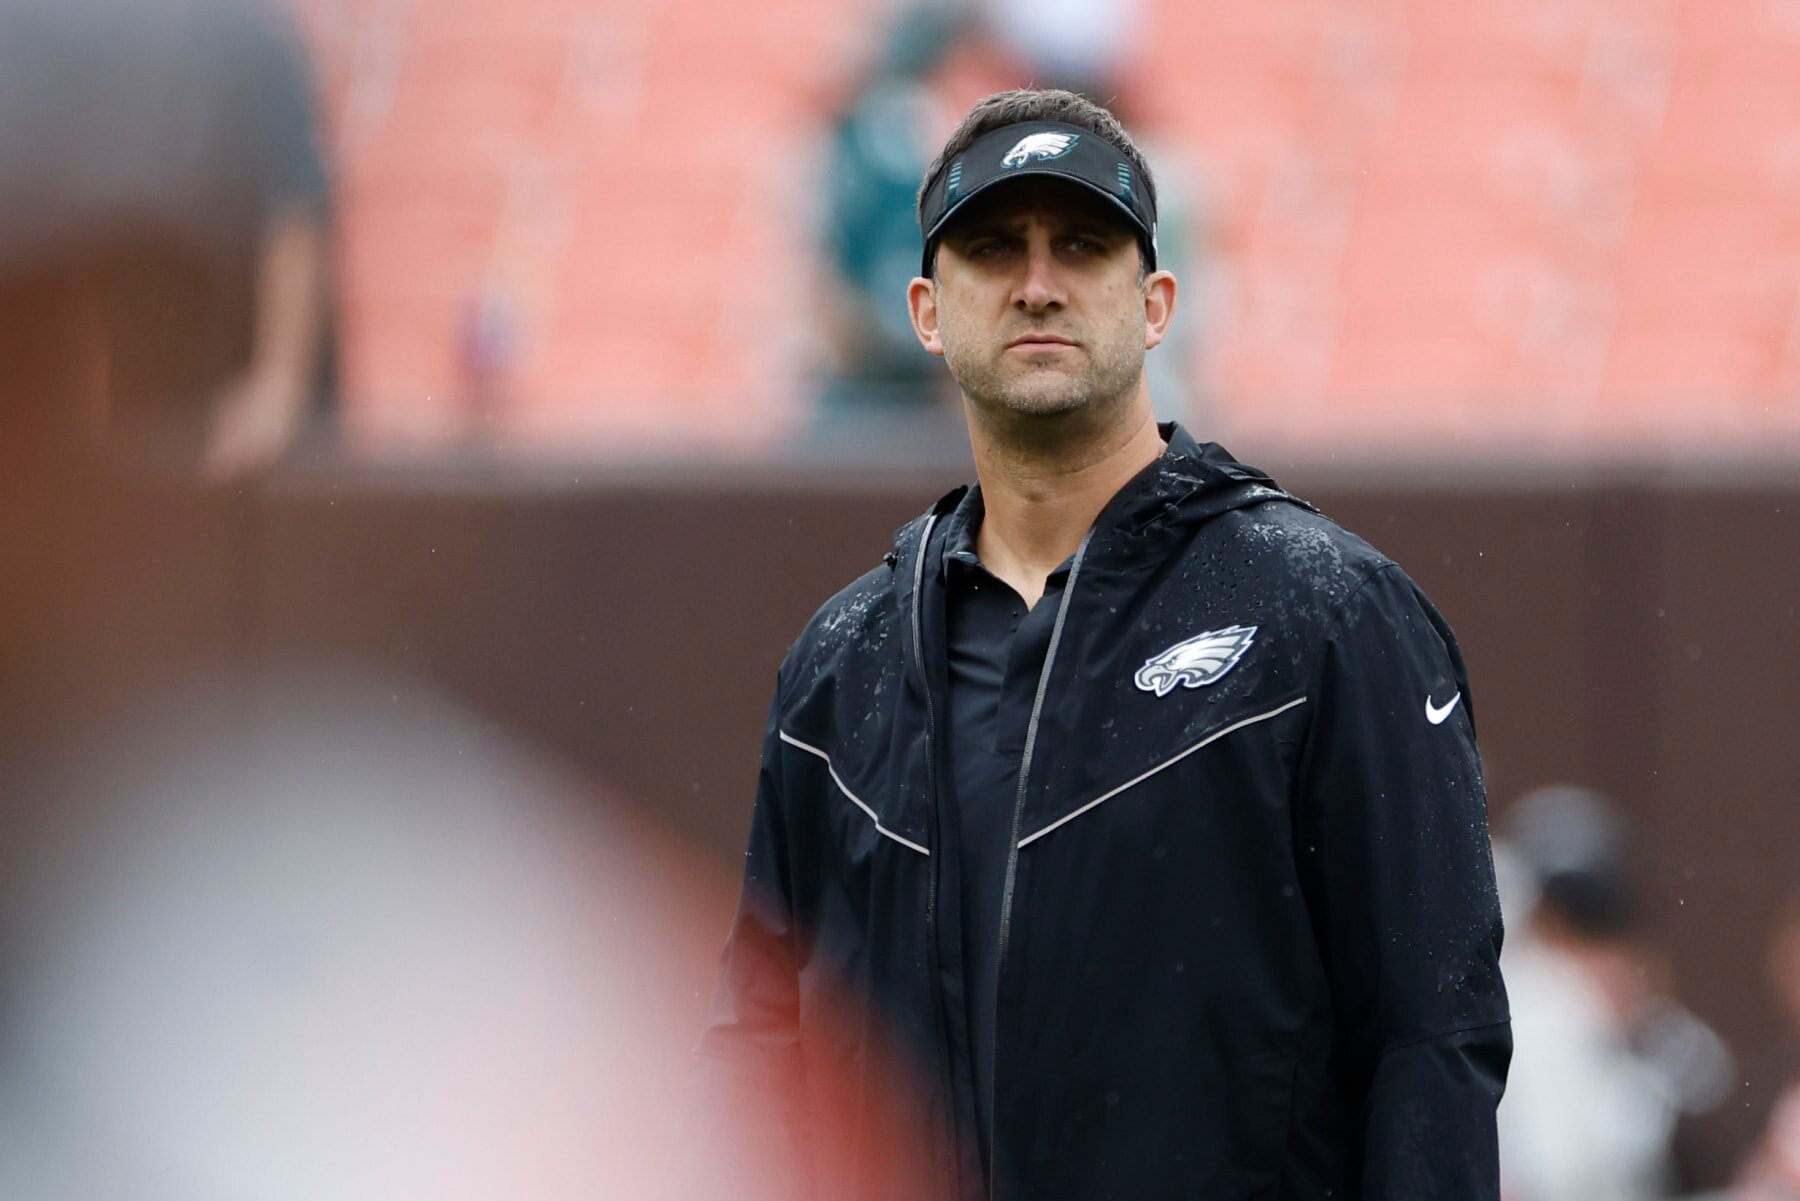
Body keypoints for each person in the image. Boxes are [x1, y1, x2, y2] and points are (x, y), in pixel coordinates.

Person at [698, 88, 1511, 1201]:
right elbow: (763, 1039)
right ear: (928, 311)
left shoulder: (1326, 611)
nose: (1039, 282)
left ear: (1158, 301)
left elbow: (1432, 1033)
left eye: (1082, 244)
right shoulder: (843, 662)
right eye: (994, 247)